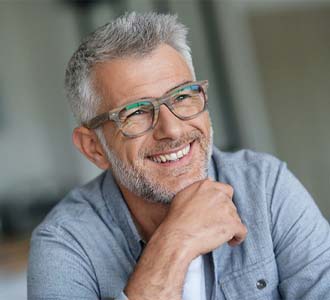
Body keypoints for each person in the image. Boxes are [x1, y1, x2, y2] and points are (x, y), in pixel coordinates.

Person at [28, 12, 330, 300]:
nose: (171, 129)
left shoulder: (265, 187)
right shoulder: (65, 242)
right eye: (135, 112)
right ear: (93, 148)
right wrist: (174, 242)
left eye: (183, 96)